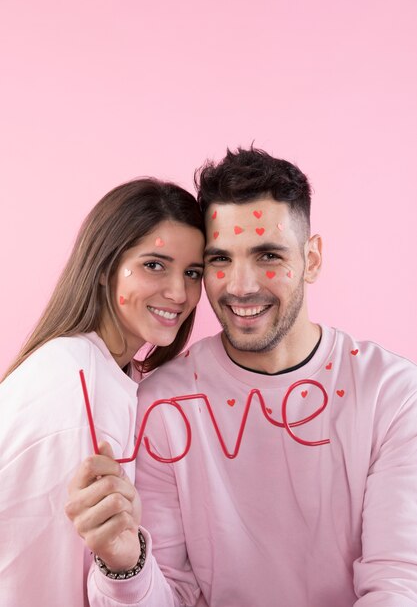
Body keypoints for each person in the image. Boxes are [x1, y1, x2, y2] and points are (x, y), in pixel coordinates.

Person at [67, 148, 417, 607]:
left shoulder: (391, 393)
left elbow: (398, 585)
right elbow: (168, 595)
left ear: (311, 259)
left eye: (267, 255)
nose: (241, 286)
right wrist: (123, 564)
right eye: (220, 260)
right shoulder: (161, 404)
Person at [0, 178, 205, 607]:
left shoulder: (86, 368)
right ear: (103, 268)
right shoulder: (85, 389)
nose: (179, 292)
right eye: (154, 265)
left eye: (192, 273)